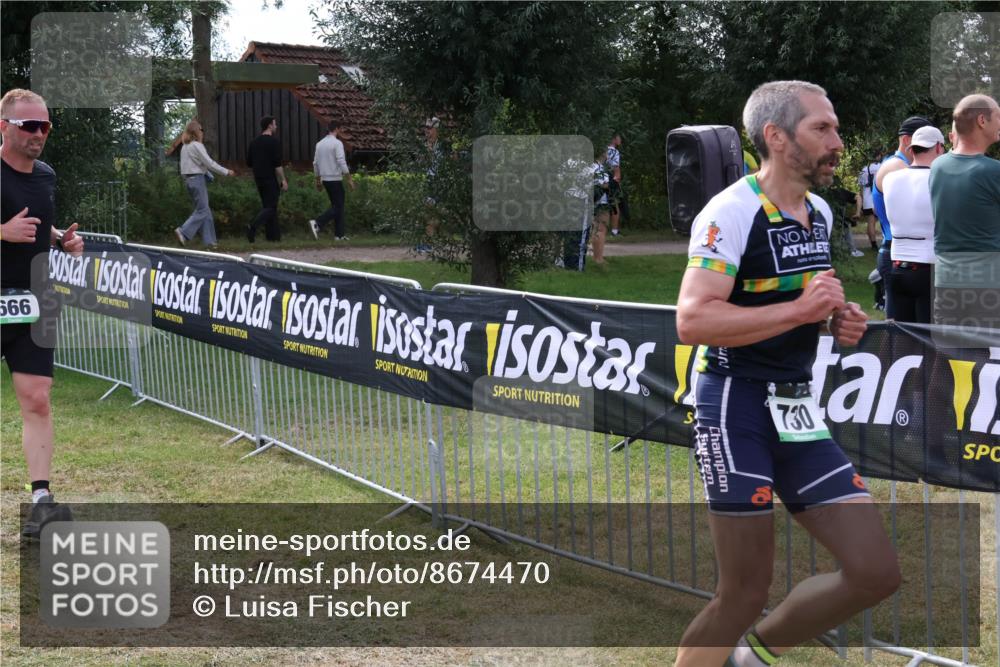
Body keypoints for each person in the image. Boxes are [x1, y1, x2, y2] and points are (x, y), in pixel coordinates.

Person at [675, 80, 899, 667]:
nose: (837, 142)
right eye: (821, 128)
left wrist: (835, 319)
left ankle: (750, 659)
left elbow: (803, 302)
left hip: (795, 408)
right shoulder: (730, 211)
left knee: (875, 571)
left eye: (836, 128)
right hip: (734, 405)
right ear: (776, 137)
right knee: (744, 592)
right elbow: (693, 319)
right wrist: (802, 311)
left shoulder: (819, 212)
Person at [1, 88, 85, 538]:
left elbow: (37, 221)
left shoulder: (46, 175)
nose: (39, 133)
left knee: (37, 397)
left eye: (45, 126)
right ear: (4, 127)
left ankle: (41, 502)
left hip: (34, 300)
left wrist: (59, 240)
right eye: (29, 125)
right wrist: (2, 232)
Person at [929, 94, 1000, 327]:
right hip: (988, 287)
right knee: (988, 350)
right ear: (982, 121)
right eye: (998, 116)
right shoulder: (992, 171)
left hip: (946, 283)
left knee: (949, 348)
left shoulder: (938, 166)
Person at [883, 125, 945, 323]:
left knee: (903, 336)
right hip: (929, 266)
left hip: (897, 266)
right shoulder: (940, 180)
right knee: (929, 336)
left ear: (912, 149)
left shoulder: (890, 179)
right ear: (938, 147)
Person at [871, 116, 933, 313]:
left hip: (899, 251)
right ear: (907, 140)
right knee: (902, 327)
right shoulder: (897, 167)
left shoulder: (894, 164)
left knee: (915, 325)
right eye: (925, 142)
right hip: (897, 252)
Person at [175, 119, 233, 248]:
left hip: (188, 181)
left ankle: (210, 241)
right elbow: (209, 163)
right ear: (196, 131)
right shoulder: (197, 146)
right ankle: (183, 232)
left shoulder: (185, 147)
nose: (203, 132)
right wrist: (226, 171)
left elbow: (195, 164)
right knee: (202, 210)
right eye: (201, 129)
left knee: (205, 210)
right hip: (197, 180)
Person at [308, 120, 355, 241]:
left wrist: (318, 180)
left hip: (325, 179)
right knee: (338, 207)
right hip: (335, 178)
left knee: (337, 206)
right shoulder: (337, 143)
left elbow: (315, 163)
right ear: (337, 129)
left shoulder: (319, 144)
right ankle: (317, 223)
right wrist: (349, 178)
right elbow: (341, 161)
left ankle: (339, 235)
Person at [246, 115, 287, 243]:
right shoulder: (274, 142)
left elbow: (249, 162)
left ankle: (273, 237)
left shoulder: (254, 142)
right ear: (269, 125)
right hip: (270, 177)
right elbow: (277, 164)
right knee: (271, 206)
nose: (276, 126)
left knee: (268, 206)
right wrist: (283, 180)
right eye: (275, 124)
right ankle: (253, 226)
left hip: (258, 178)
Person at [590, 147, 611, 264]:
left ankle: (596, 257)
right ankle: (599, 258)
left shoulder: (590, 166)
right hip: (601, 201)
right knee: (601, 229)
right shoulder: (599, 168)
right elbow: (605, 185)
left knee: (596, 228)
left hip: (592, 201)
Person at [857, 155, 881, 250]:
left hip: (867, 199)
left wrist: (862, 200)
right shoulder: (881, 167)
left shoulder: (864, 169)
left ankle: (873, 244)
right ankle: (879, 244)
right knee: (879, 222)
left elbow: (860, 186)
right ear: (878, 156)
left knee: (870, 222)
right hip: (877, 198)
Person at [606, 132, 624, 236]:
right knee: (615, 205)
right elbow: (616, 167)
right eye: (618, 137)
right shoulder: (614, 151)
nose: (620, 139)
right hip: (612, 180)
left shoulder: (604, 150)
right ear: (613, 139)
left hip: (602, 180)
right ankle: (614, 231)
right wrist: (618, 181)